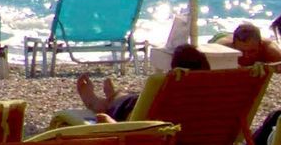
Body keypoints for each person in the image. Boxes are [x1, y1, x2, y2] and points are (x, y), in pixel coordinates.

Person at [76, 41, 205, 122]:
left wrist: (105, 119)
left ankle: (102, 104)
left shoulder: (168, 95)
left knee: (138, 101)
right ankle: (112, 96)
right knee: (138, 98)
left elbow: (130, 132)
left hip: (144, 118)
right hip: (186, 124)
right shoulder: (215, 95)